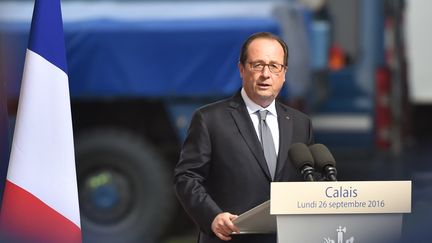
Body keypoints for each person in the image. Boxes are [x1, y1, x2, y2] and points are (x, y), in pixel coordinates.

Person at [173, 32, 314, 243]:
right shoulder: (210, 119)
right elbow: (186, 178)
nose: (266, 74)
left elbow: (308, 178)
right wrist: (212, 217)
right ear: (241, 69)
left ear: (284, 74)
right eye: (257, 65)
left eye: (274, 66)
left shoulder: (300, 123)